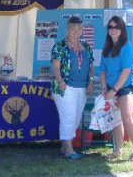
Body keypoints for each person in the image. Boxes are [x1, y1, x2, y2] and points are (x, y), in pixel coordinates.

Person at [51, 16, 94, 160]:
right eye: (72, 29)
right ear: (67, 29)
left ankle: (64, 147)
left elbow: (91, 65)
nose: (75, 32)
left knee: (75, 118)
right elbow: (56, 67)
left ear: (82, 30)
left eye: (78, 29)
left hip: (81, 88)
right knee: (67, 117)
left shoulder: (86, 46)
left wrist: (91, 82)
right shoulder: (59, 46)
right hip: (65, 87)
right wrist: (60, 81)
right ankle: (69, 150)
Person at [99, 16, 133, 161]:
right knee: (115, 121)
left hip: (126, 87)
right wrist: (105, 88)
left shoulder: (127, 47)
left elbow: (126, 71)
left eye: (116, 27)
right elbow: (103, 71)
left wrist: (113, 91)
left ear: (122, 30)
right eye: (110, 27)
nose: (113, 30)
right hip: (111, 88)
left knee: (126, 118)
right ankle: (117, 150)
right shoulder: (107, 48)